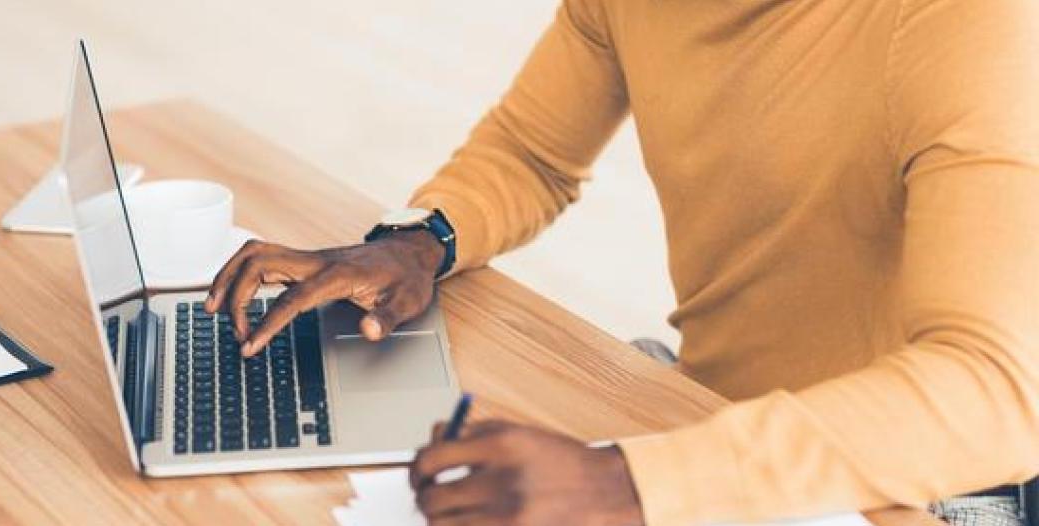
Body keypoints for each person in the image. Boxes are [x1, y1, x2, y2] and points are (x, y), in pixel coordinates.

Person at [205, 0, 1039, 524]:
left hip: (919, 482)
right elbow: (532, 151)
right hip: (708, 414)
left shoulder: (967, 20)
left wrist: (632, 486)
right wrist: (419, 241)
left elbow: (997, 393)